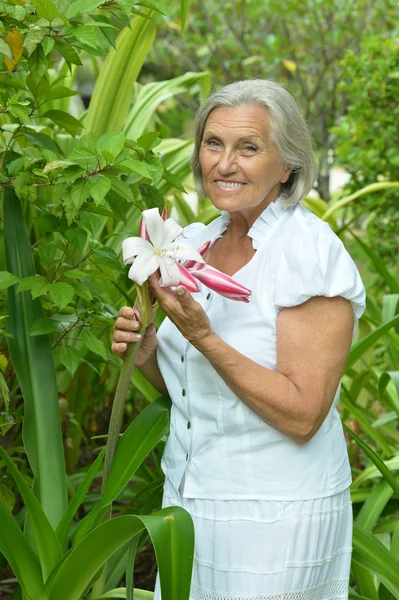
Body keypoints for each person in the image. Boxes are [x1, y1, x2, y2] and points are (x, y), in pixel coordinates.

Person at [112, 80, 366, 600]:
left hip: (274, 521)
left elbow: (302, 415)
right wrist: (149, 356)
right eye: (213, 144)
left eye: (248, 147)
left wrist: (203, 337)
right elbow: (199, 394)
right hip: (188, 509)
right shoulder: (195, 243)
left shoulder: (306, 253)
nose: (224, 164)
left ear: (288, 164)